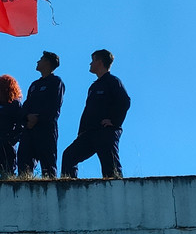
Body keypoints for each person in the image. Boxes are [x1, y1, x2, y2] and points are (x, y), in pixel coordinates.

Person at [59, 49, 131, 179]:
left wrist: (114, 121)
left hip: (105, 131)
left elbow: (125, 101)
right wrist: (81, 131)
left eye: (93, 60)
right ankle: (69, 185)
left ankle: (115, 188)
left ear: (100, 62)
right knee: (69, 155)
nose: (90, 64)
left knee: (110, 167)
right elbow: (88, 111)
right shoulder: (94, 86)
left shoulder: (113, 81)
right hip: (89, 132)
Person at [17, 51, 65, 177]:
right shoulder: (34, 85)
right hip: (29, 130)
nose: (38, 61)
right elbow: (26, 105)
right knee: (23, 164)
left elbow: (54, 107)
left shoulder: (56, 82)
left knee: (48, 166)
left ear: (47, 62)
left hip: (45, 130)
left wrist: (38, 119)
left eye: (41, 59)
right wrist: (27, 118)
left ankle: (50, 188)